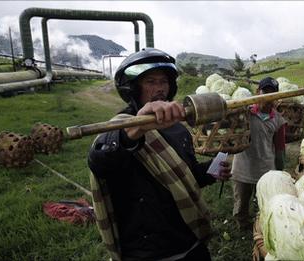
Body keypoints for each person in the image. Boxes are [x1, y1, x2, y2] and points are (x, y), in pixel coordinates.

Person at [87, 48, 231, 261]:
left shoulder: (178, 129)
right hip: (148, 251)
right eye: (151, 82)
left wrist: (212, 171)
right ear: (133, 88)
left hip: (189, 240)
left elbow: (187, 176)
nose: (159, 89)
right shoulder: (121, 128)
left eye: (163, 82)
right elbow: (100, 162)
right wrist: (136, 130)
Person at [230, 76, 286, 230]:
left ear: (277, 97)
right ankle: (242, 223)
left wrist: (280, 170)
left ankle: (262, 226)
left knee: (265, 200)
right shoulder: (245, 113)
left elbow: (280, 148)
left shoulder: (278, 120)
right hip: (243, 167)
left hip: (265, 168)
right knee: (241, 200)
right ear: (257, 92)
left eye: (272, 94)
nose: (268, 97)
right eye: (265, 92)